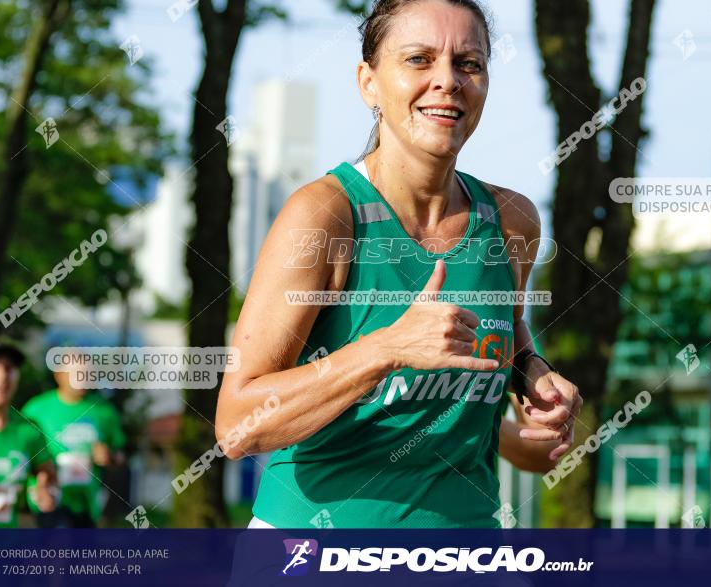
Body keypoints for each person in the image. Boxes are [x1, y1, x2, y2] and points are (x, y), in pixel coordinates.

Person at [216, 0, 582, 528]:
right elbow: (236, 426)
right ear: (368, 82)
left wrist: (534, 379)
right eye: (418, 59)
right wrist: (386, 349)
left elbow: (527, 442)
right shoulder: (324, 216)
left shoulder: (512, 221)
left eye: (469, 63)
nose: (448, 81)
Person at [22, 353, 126, 528]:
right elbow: (20, 450)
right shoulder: (36, 409)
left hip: (87, 503)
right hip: (50, 499)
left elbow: (121, 456)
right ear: (59, 375)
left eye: (87, 374)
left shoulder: (104, 411)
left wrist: (110, 458)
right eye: (76, 374)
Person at [0, 338, 58, 528]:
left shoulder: (29, 431)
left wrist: (44, 492)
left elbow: (49, 479)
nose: (1, 376)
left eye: (8, 368)